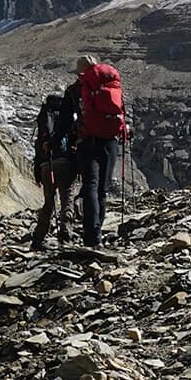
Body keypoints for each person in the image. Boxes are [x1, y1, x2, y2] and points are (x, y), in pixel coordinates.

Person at [75, 56, 126, 248]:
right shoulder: (111, 84)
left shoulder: (81, 87)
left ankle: (91, 236)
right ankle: (98, 232)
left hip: (89, 141)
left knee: (90, 186)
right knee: (102, 190)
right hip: (110, 142)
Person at [31, 89, 76, 250]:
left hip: (46, 166)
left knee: (48, 203)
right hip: (65, 163)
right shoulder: (67, 117)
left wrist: (37, 175)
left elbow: (38, 149)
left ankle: (38, 239)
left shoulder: (44, 121)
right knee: (67, 199)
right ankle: (66, 235)